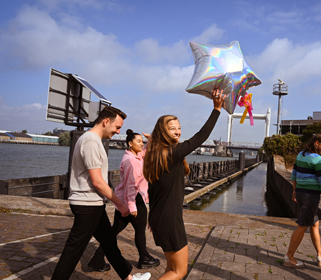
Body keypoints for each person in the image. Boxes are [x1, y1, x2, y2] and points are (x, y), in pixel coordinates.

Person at [51, 106, 150, 280]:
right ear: (105, 122)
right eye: (117, 127)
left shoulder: (92, 140)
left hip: (93, 204)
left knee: (109, 243)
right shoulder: (91, 141)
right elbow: (97, 181)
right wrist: (120, 203)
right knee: (73, 250)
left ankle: (129, 278)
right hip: (87, 204)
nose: (118, 132)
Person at [143, 88, 225, 280]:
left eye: (179, 127)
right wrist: (217, 109)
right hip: (170, 219)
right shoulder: (171, 153)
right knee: (179, 272)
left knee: (170, 268)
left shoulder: (156, 155)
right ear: (163, 131)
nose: (178, 131)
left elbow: (151, 191)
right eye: (172, 128)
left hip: (160, 218)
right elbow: (201, 136)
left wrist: (153, 218)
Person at [87, 129, 160, 271]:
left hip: (128, 199)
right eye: (138, 141)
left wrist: (150, 140)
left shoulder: (135, 156)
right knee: (139, 231)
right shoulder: (131, 161)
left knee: (114, 231)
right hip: (134, 199)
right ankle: (144, 258)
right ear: (130, 143)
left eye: (142, 141)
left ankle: (97, 260)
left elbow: (146, 152)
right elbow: (130, 185)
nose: (141, 143)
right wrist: (132, 206)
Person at [284, 134, 321, 268]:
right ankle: (289, 257)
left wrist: (295, 191)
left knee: (314, 223)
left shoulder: (300, 155)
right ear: (316, 143)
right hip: (311, 196)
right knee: (302, 224)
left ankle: (320, 256)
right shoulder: (317, 159)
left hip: (301, 193)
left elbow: (294, 175)